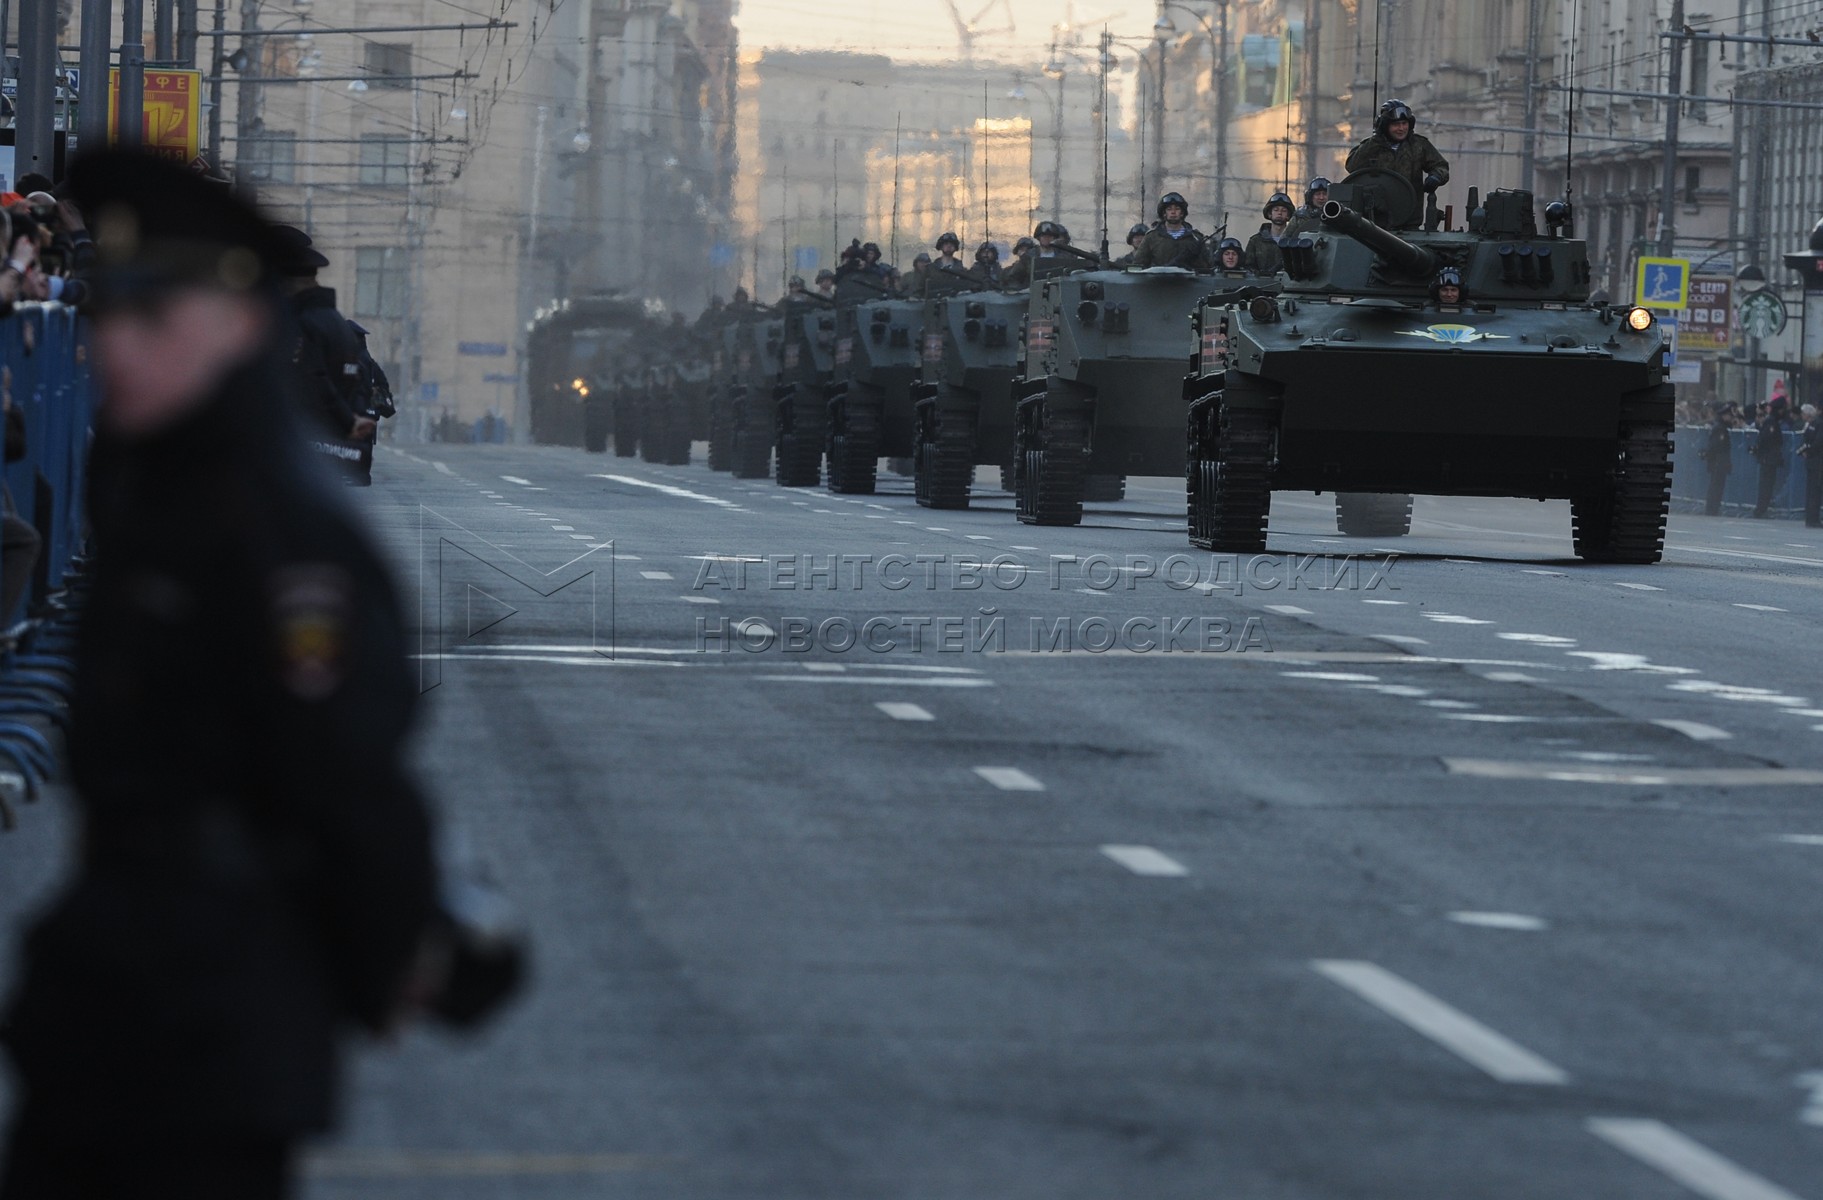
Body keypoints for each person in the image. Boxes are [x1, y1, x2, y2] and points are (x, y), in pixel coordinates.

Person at [0, 150, 453, 1200]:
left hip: (221, 1015)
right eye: (108, 311)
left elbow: (348, 779)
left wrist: (391, 949)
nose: (113, 344)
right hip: (99, 1001)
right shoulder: (153, 494)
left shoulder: (281, 534)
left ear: (240, 325)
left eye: (154, 318)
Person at [1346, 99, 1450, 206]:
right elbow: (1352, 166)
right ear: (1385, 126)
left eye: (1404, 123)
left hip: (1409, 212)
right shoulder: (1372, 146)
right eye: (1396, 124)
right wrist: (1375, 141)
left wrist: (1436, 176)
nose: (1401, 128)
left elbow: (1441, 166)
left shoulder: (1418, 145)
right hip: (1375, 213)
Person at [1132, 193, 1211, 269]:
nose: (1173, 212)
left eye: (1177, 209)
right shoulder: (1152, 237)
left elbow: (1206, 267)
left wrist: (1194, 257)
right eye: (1169, 209)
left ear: (1182, 213)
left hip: (1189, 281)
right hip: (1158, 281)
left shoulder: (1195, 238)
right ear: (1164, 213)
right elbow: (1138, 265)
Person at [1751, 392, 1791, 518]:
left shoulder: (1771, 422)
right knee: (1766, 485)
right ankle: (1761, 509)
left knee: (1768, 485)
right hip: (1768, 459)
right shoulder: (1771, 423)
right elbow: (1766, 439)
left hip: (1768, 459)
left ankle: (1762, 508)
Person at [1700, 402, 1738, 517]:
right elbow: (1716, 446)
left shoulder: (1721, 427)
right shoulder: (1720, 429)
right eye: (1729, 416)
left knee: (1717, 486)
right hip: (1718, 462)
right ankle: (1712, 509)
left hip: (1719, 462)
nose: (1730, 418)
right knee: (1716, 487)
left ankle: (1713, 508)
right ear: (1724, 415)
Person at [1245, 192, 1294, 275]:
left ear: (1288, 216)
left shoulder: (1294, 241)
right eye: (1276, 210)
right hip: (1262, 285)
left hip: (1288, 285)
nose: (1279, 213)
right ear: (1269, 214)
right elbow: (1248, 267)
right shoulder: (1256, 241)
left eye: (1284, 210)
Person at [1800, 402, 1823, 527]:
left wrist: (1806, 451)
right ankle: (1813, 518)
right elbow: (1819, 441)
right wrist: (1810, 450)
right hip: (1818, 460)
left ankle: (1810, 517)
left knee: (1811, 489)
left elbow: (1806, 439)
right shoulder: (1819, 423)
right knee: (1815, 490)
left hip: (1811, 459)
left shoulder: (1811, 424)